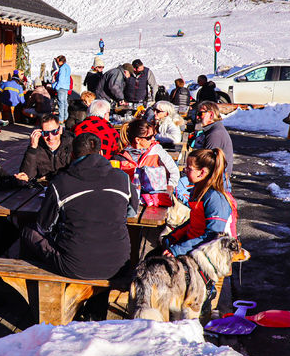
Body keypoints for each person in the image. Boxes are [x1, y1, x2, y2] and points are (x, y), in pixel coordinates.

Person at [21, 133, 139, 280]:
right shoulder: (122, 178)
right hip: (118, 265)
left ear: (71, 156)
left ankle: (29, 287)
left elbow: (43, 227)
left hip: (75, 266)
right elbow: (132, 211)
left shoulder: (60, 183)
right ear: (101, 153)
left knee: (29, 232)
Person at [162, 148, 237, 257]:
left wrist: (178, 250)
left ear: (202, 172)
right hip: (196, 244)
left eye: (189, 168)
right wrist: (173, 237)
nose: (184, 170)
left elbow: (213, 236)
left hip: (213, 253)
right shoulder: (199, 189)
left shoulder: (215, 198)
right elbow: (194, 222)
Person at [115, 119, 180, 207]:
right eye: (149, 137)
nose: (153, 139)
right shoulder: (120, 157)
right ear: (138, 140)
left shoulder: (157, 150)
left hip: (155, 199)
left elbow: (174, 171)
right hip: (129, 201)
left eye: (154, 135)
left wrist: (170, 186)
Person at [19, 114, 73, 181]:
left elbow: (77, 171)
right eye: (46, 133)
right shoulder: (37, 148)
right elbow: (26, 176)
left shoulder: (71, 144)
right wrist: (32, 148)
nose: (50, 137)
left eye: (54, 132)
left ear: (60, 130)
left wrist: (47, 177)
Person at [188, 101, 234, 179]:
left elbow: (207, 162)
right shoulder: (213, 129)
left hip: (217, 177)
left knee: (179, 184)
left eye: (200, 114)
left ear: (211, 115)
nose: (197, 117)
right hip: (214, 173)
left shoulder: (215, 134)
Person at [53, 55, 71, 123]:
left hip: (61, 87)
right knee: (65, 103)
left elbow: (61, 79)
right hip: (66, 87)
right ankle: (65, 117)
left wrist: (56, 87)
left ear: (61, 61)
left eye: (58, 61)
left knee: (61, 103)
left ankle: (61, 119)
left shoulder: (62, 68)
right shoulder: (67, 67)